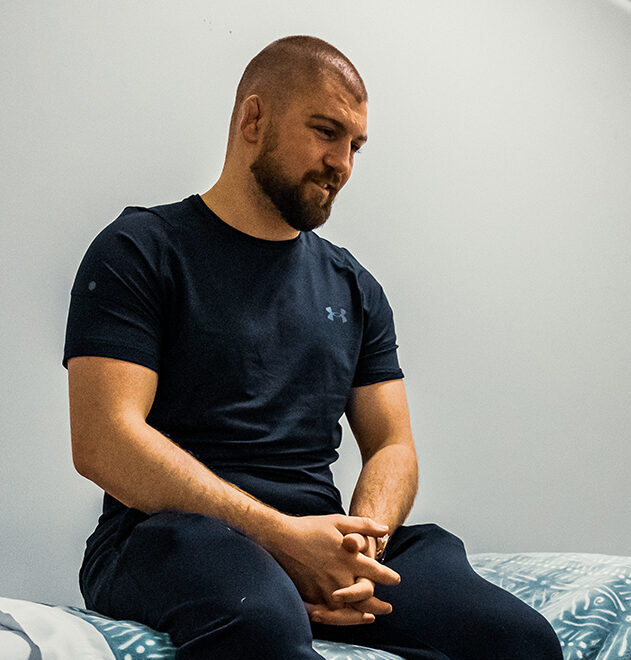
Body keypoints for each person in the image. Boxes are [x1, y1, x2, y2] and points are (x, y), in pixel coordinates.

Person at [64, 36, 561, 660]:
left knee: (519, 642)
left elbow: (393, 445)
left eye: (356, 145)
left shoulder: (354, 287)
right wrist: (282, 539)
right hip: (173, 536)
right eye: (326, 132)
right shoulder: (140, 249)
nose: (342, 163)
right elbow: (104, 440)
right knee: (261, 621)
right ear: (253, 120)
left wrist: (360, 547)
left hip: (325, 538)